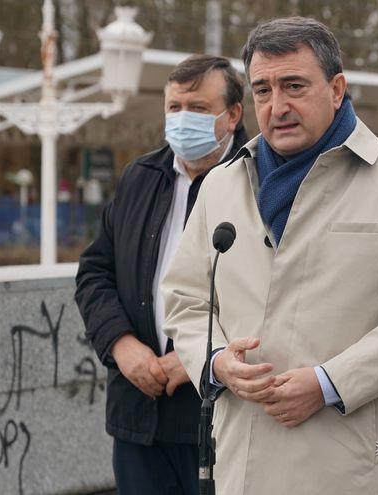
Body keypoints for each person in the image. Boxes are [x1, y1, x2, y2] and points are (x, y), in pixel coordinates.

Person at [161, 17, 378, 495]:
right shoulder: (220, 184)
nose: (277, 106)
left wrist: (328, 383)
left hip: (348, 464)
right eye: (262, 90)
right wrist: (216, 361)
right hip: (242, 460)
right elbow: (184, 299)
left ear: (336, 89)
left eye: (294, 86)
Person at [74, 55, 247, 494]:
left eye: (199, 108)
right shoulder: (140, 177)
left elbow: (276, 293)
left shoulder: (259, 183)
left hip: (219, 418)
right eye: (175, 107)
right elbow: (95, 272)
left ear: (233, 116)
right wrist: (120, 343)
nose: (183, 119)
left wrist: (197, 357)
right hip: (138, 414)